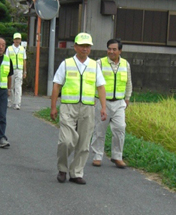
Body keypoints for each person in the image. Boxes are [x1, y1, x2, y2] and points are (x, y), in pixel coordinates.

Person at [50, 32, 107, 185]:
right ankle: (62, 168)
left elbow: (101, 87)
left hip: (88, 108)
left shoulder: (95, 65)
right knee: (66, 141)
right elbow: (57, 85)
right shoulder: (66, 63)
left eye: (87, 46)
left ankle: (76, 172)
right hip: (68, 106)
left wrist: (103, 107)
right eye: (82, 46)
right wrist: (53, 106)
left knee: (84, 142)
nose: (84, 49)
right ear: (75, 46)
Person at [91, 39, 132, 169]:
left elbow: (129, 83)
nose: (111, 51)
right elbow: (93, 82)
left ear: (120, 51)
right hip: (103, 102)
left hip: (119, 103)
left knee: (120, 128)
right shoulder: (100, 63)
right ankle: (97, 156)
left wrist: (127, 98)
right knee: (99, 130)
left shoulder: (126, 64)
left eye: (114, 49)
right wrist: (93, 98)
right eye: (109, 48)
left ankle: (117, 156)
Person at [5, 32, 27, 110]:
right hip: (11, 70)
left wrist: (25, 71)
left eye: (19, 39)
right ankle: (10, 101)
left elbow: (24, 60)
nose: (17, 41)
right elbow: (6, 60)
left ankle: (17, 103)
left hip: (19, 70)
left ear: (20, 40)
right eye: (16, 39)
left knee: (18, 87)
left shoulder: (22, 49)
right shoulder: (9, 48)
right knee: (11, 86)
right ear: (13, 40)